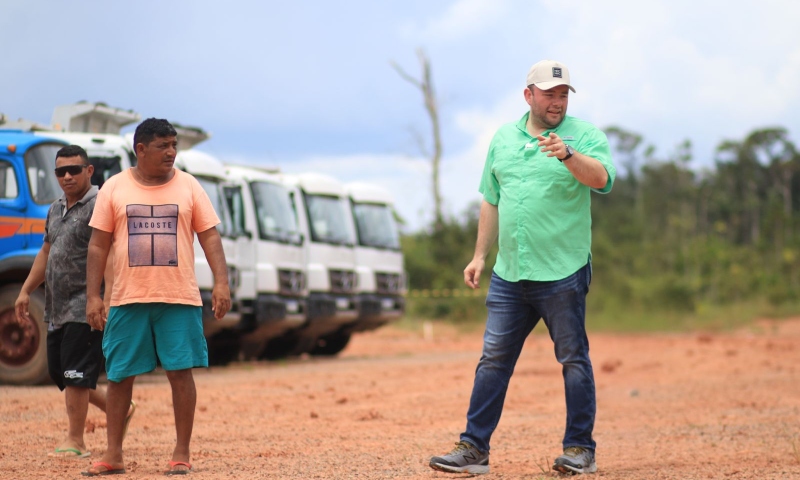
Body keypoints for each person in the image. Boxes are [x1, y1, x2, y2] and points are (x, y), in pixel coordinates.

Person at [428, 60, 616, 475]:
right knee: (492, 359)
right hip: (510, 274)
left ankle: (580, 450)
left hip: (563, 272)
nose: (558, 101)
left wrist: (568, 155)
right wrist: (479, 255)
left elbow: (602, 179)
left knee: (572, 359)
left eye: (564, 93)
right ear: (528, 95)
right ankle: (474, 450)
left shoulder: (584, 136)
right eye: (549, 93)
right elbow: (491, 199)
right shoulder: (502, 139)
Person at [81, 118, 231, 477]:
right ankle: (113, 454)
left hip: (178, 297)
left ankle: (181, 452)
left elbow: (210, 237)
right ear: (141, 149)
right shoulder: (114, 188)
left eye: (174, 145)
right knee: (119, 376)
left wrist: (222, 283)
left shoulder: (189, 186)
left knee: (180, 373)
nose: (171, 152)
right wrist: (93, 296)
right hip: (126, 298)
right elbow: (98, 246)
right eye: (163, 146)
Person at [14, 145, 134, 459]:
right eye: (60, 171)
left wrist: (104, 300)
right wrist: (26, 290)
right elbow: (46, 251)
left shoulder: (100, 204)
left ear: (89, 171)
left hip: (86, 303)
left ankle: (75, 440)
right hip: (57, 305)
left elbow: (107, 253)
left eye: (74, 170)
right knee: (59, 371)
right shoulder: (54, 209)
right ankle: (116, 407)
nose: (67, 176)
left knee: (76, 373)